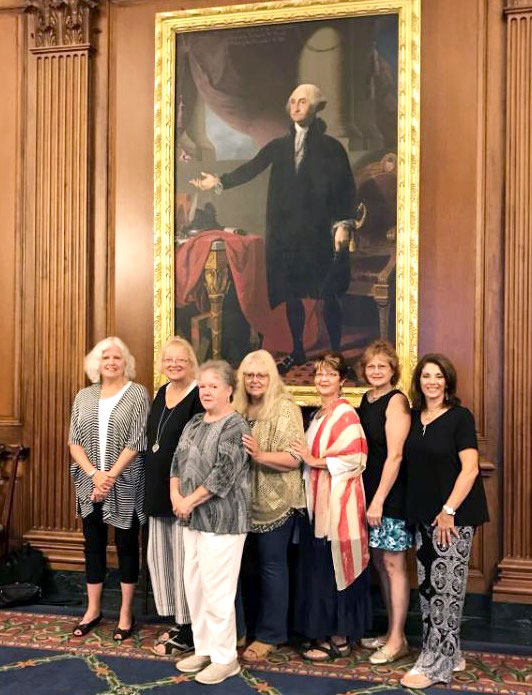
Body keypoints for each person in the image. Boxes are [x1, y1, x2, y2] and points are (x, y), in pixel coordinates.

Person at [189, 84, 356, 372]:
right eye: (292, 101)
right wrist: (217, 181)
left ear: (316, 108)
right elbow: (252, 168)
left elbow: (346, 189)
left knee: (329, 294)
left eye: (302, 101)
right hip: (287, 238)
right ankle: (299, 351)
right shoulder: (279, 146)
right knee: (292, 296)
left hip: (320, 236)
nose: (295, 106)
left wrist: (343, 225)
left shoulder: (332, 148)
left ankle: (336, 353)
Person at [401, 354, 489, 688]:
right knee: (429, 587)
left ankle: (436, 665)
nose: (432, 382)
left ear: (447, 381)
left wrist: (448, 511)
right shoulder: (414, 416)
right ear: (419, 381)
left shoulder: (460, 418)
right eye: (426, 376)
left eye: (438, 376)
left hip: (454, 517)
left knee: (446, 589)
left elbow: (470, 469)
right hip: (424, 516)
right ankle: (449, 653)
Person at [171, 360, 250, 685]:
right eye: (202, 386)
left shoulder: (236, 426)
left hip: (223, 521)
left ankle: (225, 658)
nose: (206, 391)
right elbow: (176, 462)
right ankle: (204, 648)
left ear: (229, 390)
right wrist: (176, 495)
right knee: (197, 587)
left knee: (218, 592)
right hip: (190, 519)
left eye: (213, 386)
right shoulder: (193, 422)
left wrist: (188, 501)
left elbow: (224, 474)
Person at [68, 337, 149, 641]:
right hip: (89, 484)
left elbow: (137, 441)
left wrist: (110, 476)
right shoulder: (84, 396)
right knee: (93, 546)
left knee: (127, 547)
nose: (112, 362)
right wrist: (94, 475)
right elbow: (74, 441)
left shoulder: (137, 394)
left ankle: (126, 613)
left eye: (117, 357)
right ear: (96, 364)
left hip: (125, 483)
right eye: (106, 358)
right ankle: (92, 610)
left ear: (125, 362)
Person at [291, 352, 371, 661]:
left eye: (330, 374)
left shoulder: (345, 414)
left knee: (336, 568)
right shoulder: (320, 415)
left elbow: (356, 458)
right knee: (322, 570)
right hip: (318, 506)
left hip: (339, 508)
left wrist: (314, 461)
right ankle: (326, 632)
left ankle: (339, 635)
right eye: (319, 374)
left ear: (342, 380)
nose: (323, 379)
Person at [232, 349, 305, 661]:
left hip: (277, 501)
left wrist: (260, 456)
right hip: (241, 502)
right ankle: (239, 630)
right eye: (249, 375)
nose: (254, 381)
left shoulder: (285, 408)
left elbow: (294, 458)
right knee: (241, 570)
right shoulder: (238, 407)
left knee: (272, 567)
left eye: (261, 375)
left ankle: (270, 635)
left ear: (271, 378)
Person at [146, 337, 204, 656]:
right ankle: (177, 620)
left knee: (186, 563)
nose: (174, 365)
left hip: (183, 492)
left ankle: (190, 627)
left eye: (180, 360)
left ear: (191, 362)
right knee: (163, 560)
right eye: (169, 360)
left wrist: (183, 492)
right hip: (157, 489)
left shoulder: (197, 395)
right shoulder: (161, 392)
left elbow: (196, 448)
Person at [357, 340, 412, 664]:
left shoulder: (396, 401)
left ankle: (396, 640)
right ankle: (393, 634)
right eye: (371, 366)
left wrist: (378, 500)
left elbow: (395, 456)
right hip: (369, 493)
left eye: (383, 366)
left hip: (390, 497)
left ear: (393, 370)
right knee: (380, 564)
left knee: (393, 565)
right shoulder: (367, 398)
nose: (376, 371)